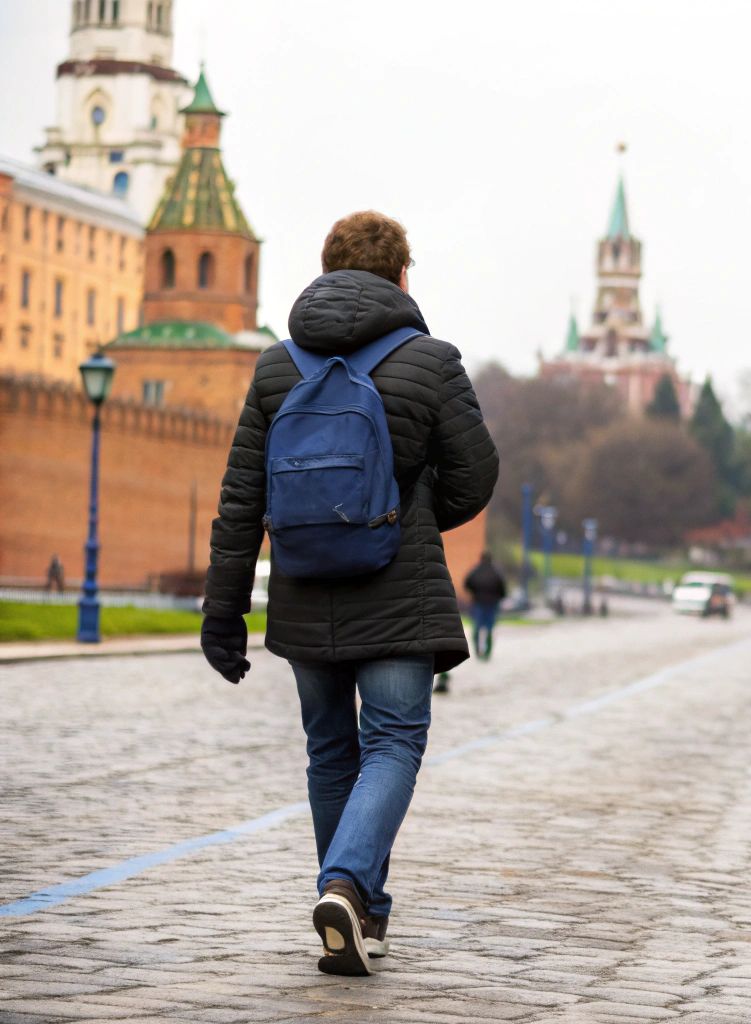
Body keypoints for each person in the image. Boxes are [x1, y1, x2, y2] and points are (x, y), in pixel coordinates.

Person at [199, 211, 497, 977]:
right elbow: (476, 475)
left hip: (303, 587)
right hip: (397, 588)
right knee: (393, 741)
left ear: (326, 270)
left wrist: (223, 613)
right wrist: (412, 510)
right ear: (403, 276)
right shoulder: (431, 361)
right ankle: (345, 884)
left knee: (331, 749)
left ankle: (365, 913)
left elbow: (241, 500)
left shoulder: (275, 367)